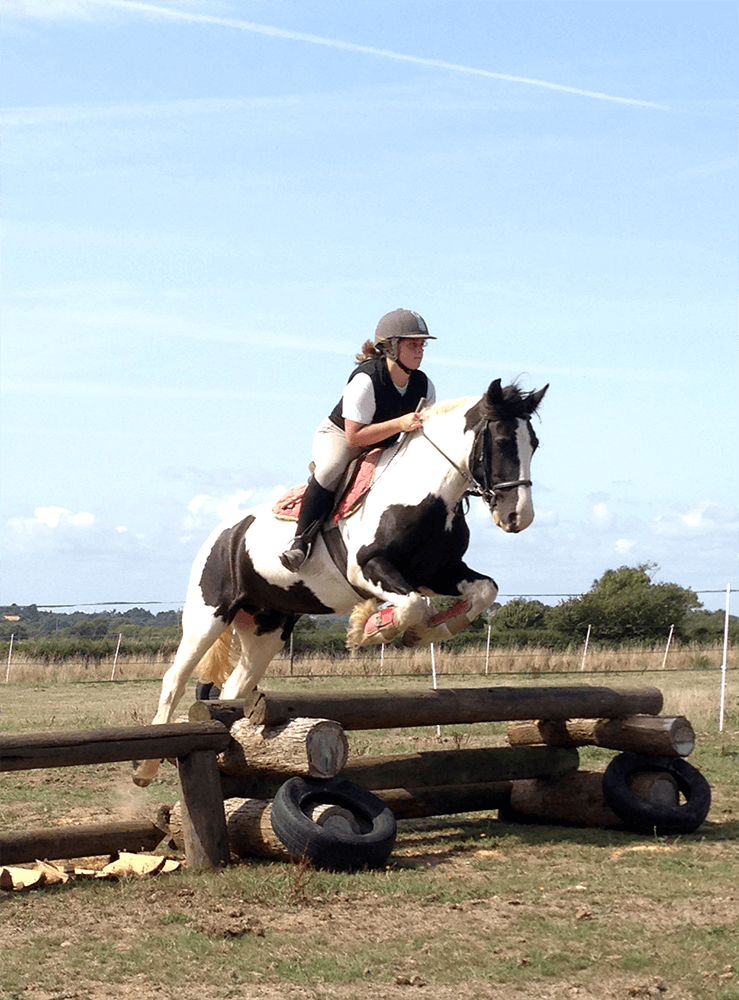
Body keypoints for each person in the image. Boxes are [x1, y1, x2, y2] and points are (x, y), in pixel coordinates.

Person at [280, 308, 437, 571]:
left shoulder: (425, 386)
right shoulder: (366, 379)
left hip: (384, 443)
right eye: (412, 344)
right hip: (341, 437)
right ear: (391, 348)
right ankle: (300, 543)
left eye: (421, 345)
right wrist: (400, 423)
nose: (419, 351)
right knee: (331, 469)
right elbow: (355, 435)